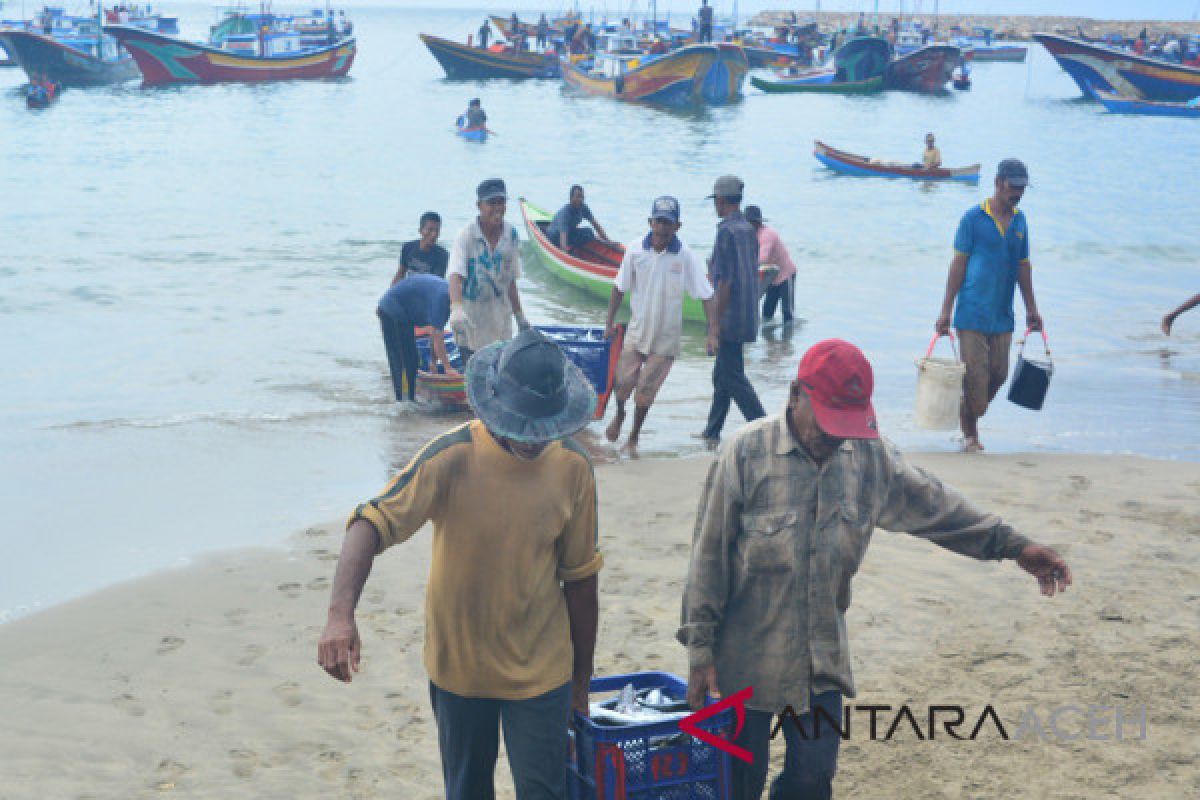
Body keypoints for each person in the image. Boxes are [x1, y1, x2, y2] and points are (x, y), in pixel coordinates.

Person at [678, 338, 1073, 800]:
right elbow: (707, 559)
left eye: (845, 425)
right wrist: (700, 652)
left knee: (812, 781)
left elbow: (938, 508)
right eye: (827, 423)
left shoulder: (869, 459)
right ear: (793, 394)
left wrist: (1014, 545)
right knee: (735, 784)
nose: (835, 436)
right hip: (742, 661)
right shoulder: (744, 455)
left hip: (820, 660)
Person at [318, 328, 602, 800]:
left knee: (545, 790)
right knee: (467, 789)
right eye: (521, 426)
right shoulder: (450, 457)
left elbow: (580, 580)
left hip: (542, 670)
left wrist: (580, 681)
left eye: (542, 429)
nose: (532, 442)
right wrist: (339, 615)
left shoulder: (573, 468)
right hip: (460, 668)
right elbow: (368, 523)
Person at [936, 159, 1044, 454]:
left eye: (1022, 188)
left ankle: (967, 409)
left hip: (1002, 316)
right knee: (975, 383)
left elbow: (1023, 267)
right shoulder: (972, 219)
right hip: (971, 313)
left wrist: (1032, 309)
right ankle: (970, 434)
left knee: (998, 375)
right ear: (998, 183)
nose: (1018, 193)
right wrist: (945, 311)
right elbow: (958, 265)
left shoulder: (1020, 222)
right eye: (1013, 187)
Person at [604, 196, 716, 456]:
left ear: (677, 226)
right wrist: (608, 324)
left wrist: (712, 332)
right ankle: (619, 415)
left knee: (645, 392)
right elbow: (618, 288)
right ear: (650, 222)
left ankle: (633, 437)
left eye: (668, 223)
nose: (662, 228)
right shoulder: (635, 251)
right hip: (637, 330)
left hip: (666, 338)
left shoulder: (686, 256)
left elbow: (707, 295)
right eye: (659, 222)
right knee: (621, 384)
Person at [699, 175, 766, 446]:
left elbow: (724, 281)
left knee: (733, 376)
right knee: (722, 374)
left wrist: (714, 327)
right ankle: (712, 431)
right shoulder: (748, 229)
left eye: (716, 200)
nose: (715, 204)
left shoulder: (726, 230)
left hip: (729, 316)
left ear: (721, 200)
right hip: (747, 313)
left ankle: (762, 427)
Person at [447, 178, 529, 365]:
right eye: (491, 203)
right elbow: (455, 276)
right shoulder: (466, 236)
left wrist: (520, 316)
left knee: (499, 378)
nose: (497, 208)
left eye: (501, 202)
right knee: (476, 378)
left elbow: (511, 280)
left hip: (501, 325)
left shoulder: (511, 235)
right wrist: (456, 308)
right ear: (479, 206)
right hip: (472, 324)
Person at [376, 273, 458, 402]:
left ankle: (410, 399)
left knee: (413, 359)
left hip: (405, 316)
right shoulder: (444, 298)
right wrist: (447, 368)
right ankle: (403, 403)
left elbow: (434, 332)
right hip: (391, 310)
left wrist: (433, 363)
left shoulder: (448, 298)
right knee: (402, 362)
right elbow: (438, 337)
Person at [747, 205, 797, 325]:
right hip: (771, 276)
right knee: (767, 312)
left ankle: (787, 341)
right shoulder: (751, 235)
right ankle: (770, 341)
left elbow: (762, 259)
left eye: (749, 223)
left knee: (787, 313)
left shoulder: (767, 234)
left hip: (786, 274)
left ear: (756, 223)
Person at [546, 185, 609, 253]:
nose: (580, 199)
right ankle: (571, 249)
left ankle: (574, 248)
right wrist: (566, 252)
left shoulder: (583, 207)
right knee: (564, 245)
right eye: (578, 196)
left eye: (582, 197)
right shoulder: (565, 213)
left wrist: (607, 241)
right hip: (555, 236)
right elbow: (563, 240)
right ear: (571, 198)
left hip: (569, 233)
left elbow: (596, 225)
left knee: (589, 232)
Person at [392, 211, 448, 283]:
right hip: (409, 288)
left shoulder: (442, 255)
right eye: (430, 230)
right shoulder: (407, 248)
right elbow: (400, 274)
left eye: (437, 230)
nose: (434, 234)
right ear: (420, 230)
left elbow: (435, 284)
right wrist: (390, 292)